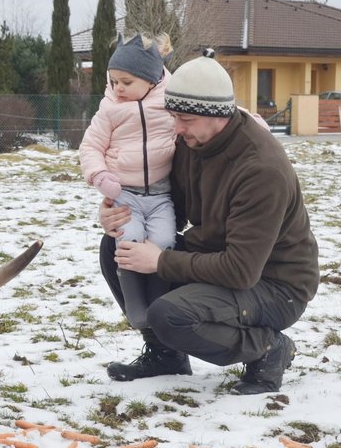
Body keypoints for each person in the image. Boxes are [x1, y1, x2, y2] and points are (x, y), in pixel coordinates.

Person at [100, 49, 319, 395]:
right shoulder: (193, 141)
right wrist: (116, 212)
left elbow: (241, 271)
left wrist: (160, 261)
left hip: (276, 286)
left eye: (184, 119)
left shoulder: (261, 170)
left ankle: (268, 349)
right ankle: (166, 356)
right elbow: (171, 206)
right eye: (173, 117)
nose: (177, 128)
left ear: (216, 115)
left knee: (170, 315)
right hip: (221, 258)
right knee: (118, 247)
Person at [79, 33, 176, 330]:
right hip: (125, 193)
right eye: (113, 81)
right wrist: (99, 175)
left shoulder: (172, 100)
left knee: (163, 241)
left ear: (151, 80)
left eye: (126, 82)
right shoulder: (110, 108)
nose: (117, 88)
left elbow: (214, 110)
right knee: (129, 239)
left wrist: (250, 121)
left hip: (161, 194)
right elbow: (90, 146)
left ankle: (157, 304)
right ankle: (135, 306)